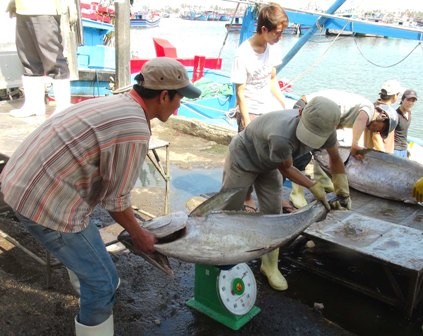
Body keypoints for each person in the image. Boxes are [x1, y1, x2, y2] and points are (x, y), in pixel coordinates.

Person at [0, 57, 201, 335]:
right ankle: (95, 297)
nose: (180, 106)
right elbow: (116, 202)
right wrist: (141, 235)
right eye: (179, 98)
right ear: (164, 95)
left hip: (19, 179)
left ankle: (91, 290)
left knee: (99, 274)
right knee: (103, 282)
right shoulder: (135, 128)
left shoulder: (117, 101)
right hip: (44, 202)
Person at [220, 96, 352, 291]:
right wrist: (314, 186)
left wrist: (343, 190)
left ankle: (269, 265)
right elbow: (286, 168)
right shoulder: (281, 134)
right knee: (230, 207)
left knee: (273, 212)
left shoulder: (328, 130)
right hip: (244, 157)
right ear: (300, 113)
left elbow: (335, 158)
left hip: (269, 164)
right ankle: (221, 254)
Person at [291, 89, 398, 207]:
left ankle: (322, 182)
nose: (377, 131)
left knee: (323, 149)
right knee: (303, 153)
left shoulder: (355, 112)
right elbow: (362, 119)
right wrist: (355, 144)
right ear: (382, 117)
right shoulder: (369, 109)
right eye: (381, 129)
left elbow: (334, 129)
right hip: (309, 108)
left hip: (321, 115)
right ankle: (297, 194)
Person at [230, 2, 288, 211]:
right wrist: (247, 122)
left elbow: (272, 80)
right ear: (264, 29)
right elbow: (240, 92)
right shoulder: (243, 54)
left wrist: (284, 104)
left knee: (272, 158)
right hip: (251, 110)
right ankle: (246, 197)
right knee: (248, 158)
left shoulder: (273, 48)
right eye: (278, 33)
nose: (279, 37)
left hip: (269, 111)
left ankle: (272, 197)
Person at [6, 0, 77, 118]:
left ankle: (63, 105)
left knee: (53, 57)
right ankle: (33, 105)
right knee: (28, 58)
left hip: (45, 9)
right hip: (22, 10)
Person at [394, 89, 418, 158]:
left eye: (413, 101)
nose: (410, 103)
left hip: (404, 148)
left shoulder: (409, 113)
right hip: (395, 149)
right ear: (402, 100)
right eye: (408, 100)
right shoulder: (395, 115)